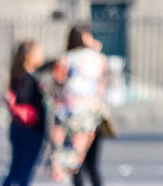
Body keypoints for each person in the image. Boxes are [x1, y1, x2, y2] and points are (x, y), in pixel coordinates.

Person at [46, 27, 106, 184]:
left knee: (75, 165)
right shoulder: (98, 58)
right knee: (92, 164)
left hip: (71, 117)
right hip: (93, 117)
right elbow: (100, 87)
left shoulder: (66, 59)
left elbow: (56, 87)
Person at [6, 41, 48, 186]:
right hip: (29, 130)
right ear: (29, 56)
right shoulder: (28, 78)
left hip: (19, 128)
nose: (42, 55)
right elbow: (24, 98)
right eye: (39, 52)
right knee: (24, 172)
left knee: (16, 170)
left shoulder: (18, 73)